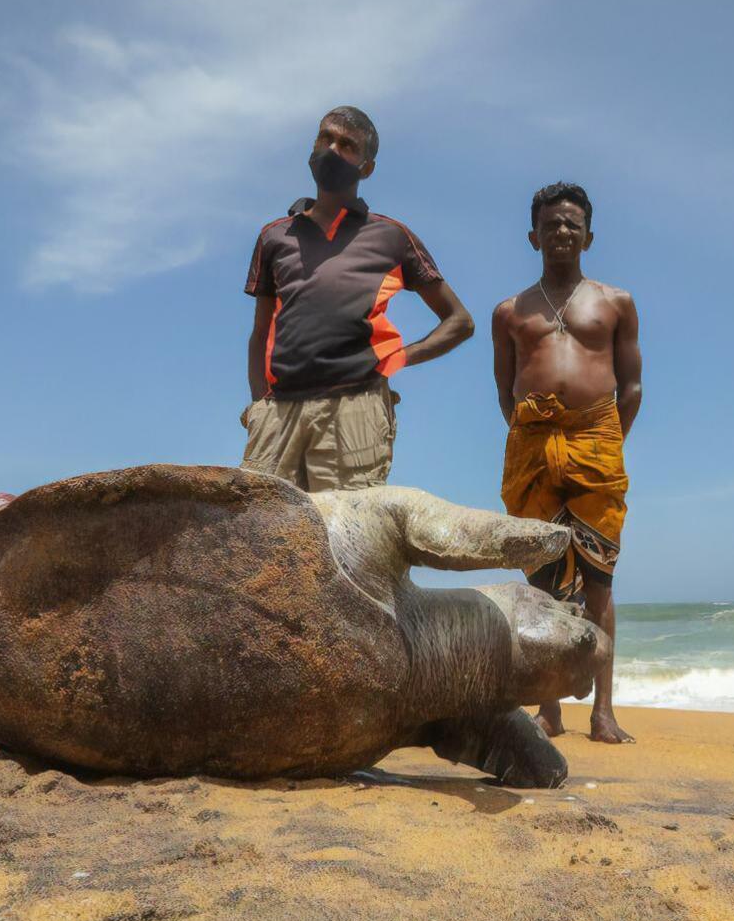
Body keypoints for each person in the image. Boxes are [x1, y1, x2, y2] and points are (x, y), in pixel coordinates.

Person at [240, 106, 473, 491]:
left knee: (346, 538)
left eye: (347, 145)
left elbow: (459, 321)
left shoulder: (391, 237)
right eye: (325, 138)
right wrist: (257, 405)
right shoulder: (274, 237)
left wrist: (398, 358)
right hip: (277, 413)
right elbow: (260, 331)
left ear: (366, 167)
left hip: (355, 411)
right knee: (265, 533)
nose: (332, 149)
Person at [492, 182, 643, 744]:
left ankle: (603, 711)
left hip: (597, 442)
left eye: (571, 224)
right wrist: (532, 436)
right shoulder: (509, 311)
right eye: (551, 224)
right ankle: (549, 710)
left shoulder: (615, 303)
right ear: (533, 236)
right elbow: (506, 391)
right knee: (541, 581)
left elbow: (631, 386)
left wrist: (604, 443)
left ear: (589, 235)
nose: (561, 231)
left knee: (599, 579)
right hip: (532, 446)